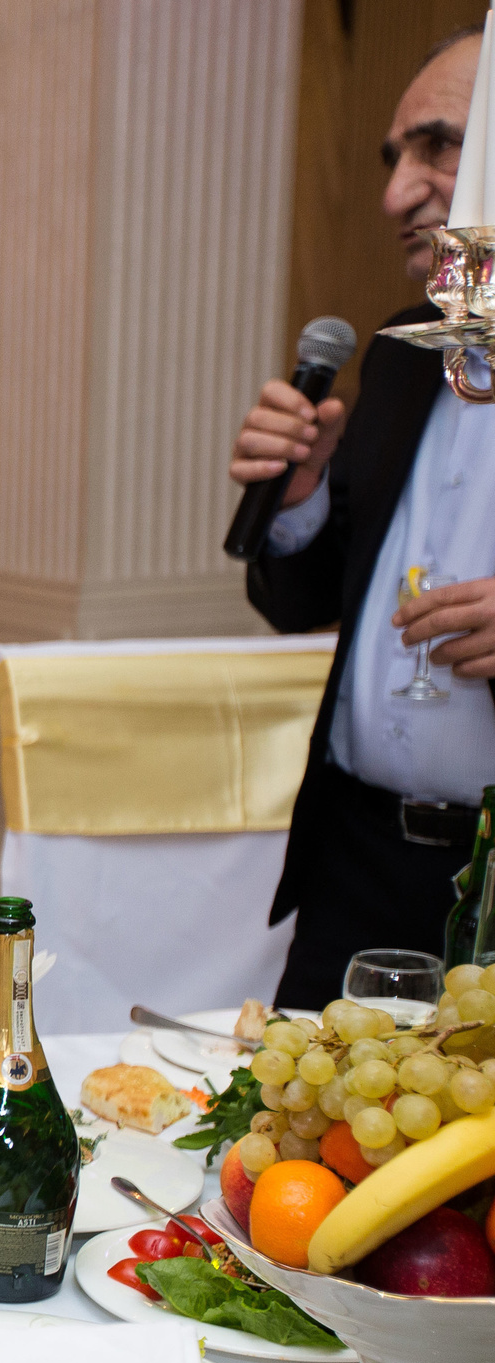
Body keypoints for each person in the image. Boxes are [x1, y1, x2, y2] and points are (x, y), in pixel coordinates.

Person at [231, 24, 495, 1007]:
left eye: (438, 147)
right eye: (394, 158)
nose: (395, 194)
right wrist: (298, 499)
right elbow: (304, 598)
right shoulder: (398, 350)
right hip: (353, 867)